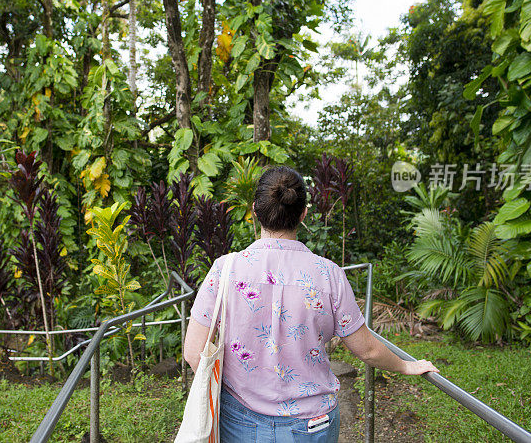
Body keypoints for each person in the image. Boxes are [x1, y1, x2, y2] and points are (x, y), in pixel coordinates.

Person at [184, 166, 439, 442]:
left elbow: (193, 352)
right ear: (303, 214)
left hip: (239, 420)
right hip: (312, 425)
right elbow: (367, 350)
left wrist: (240, 392)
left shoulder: (225, 270)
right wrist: (405, 366)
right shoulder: (329, 275)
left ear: (255, 212)